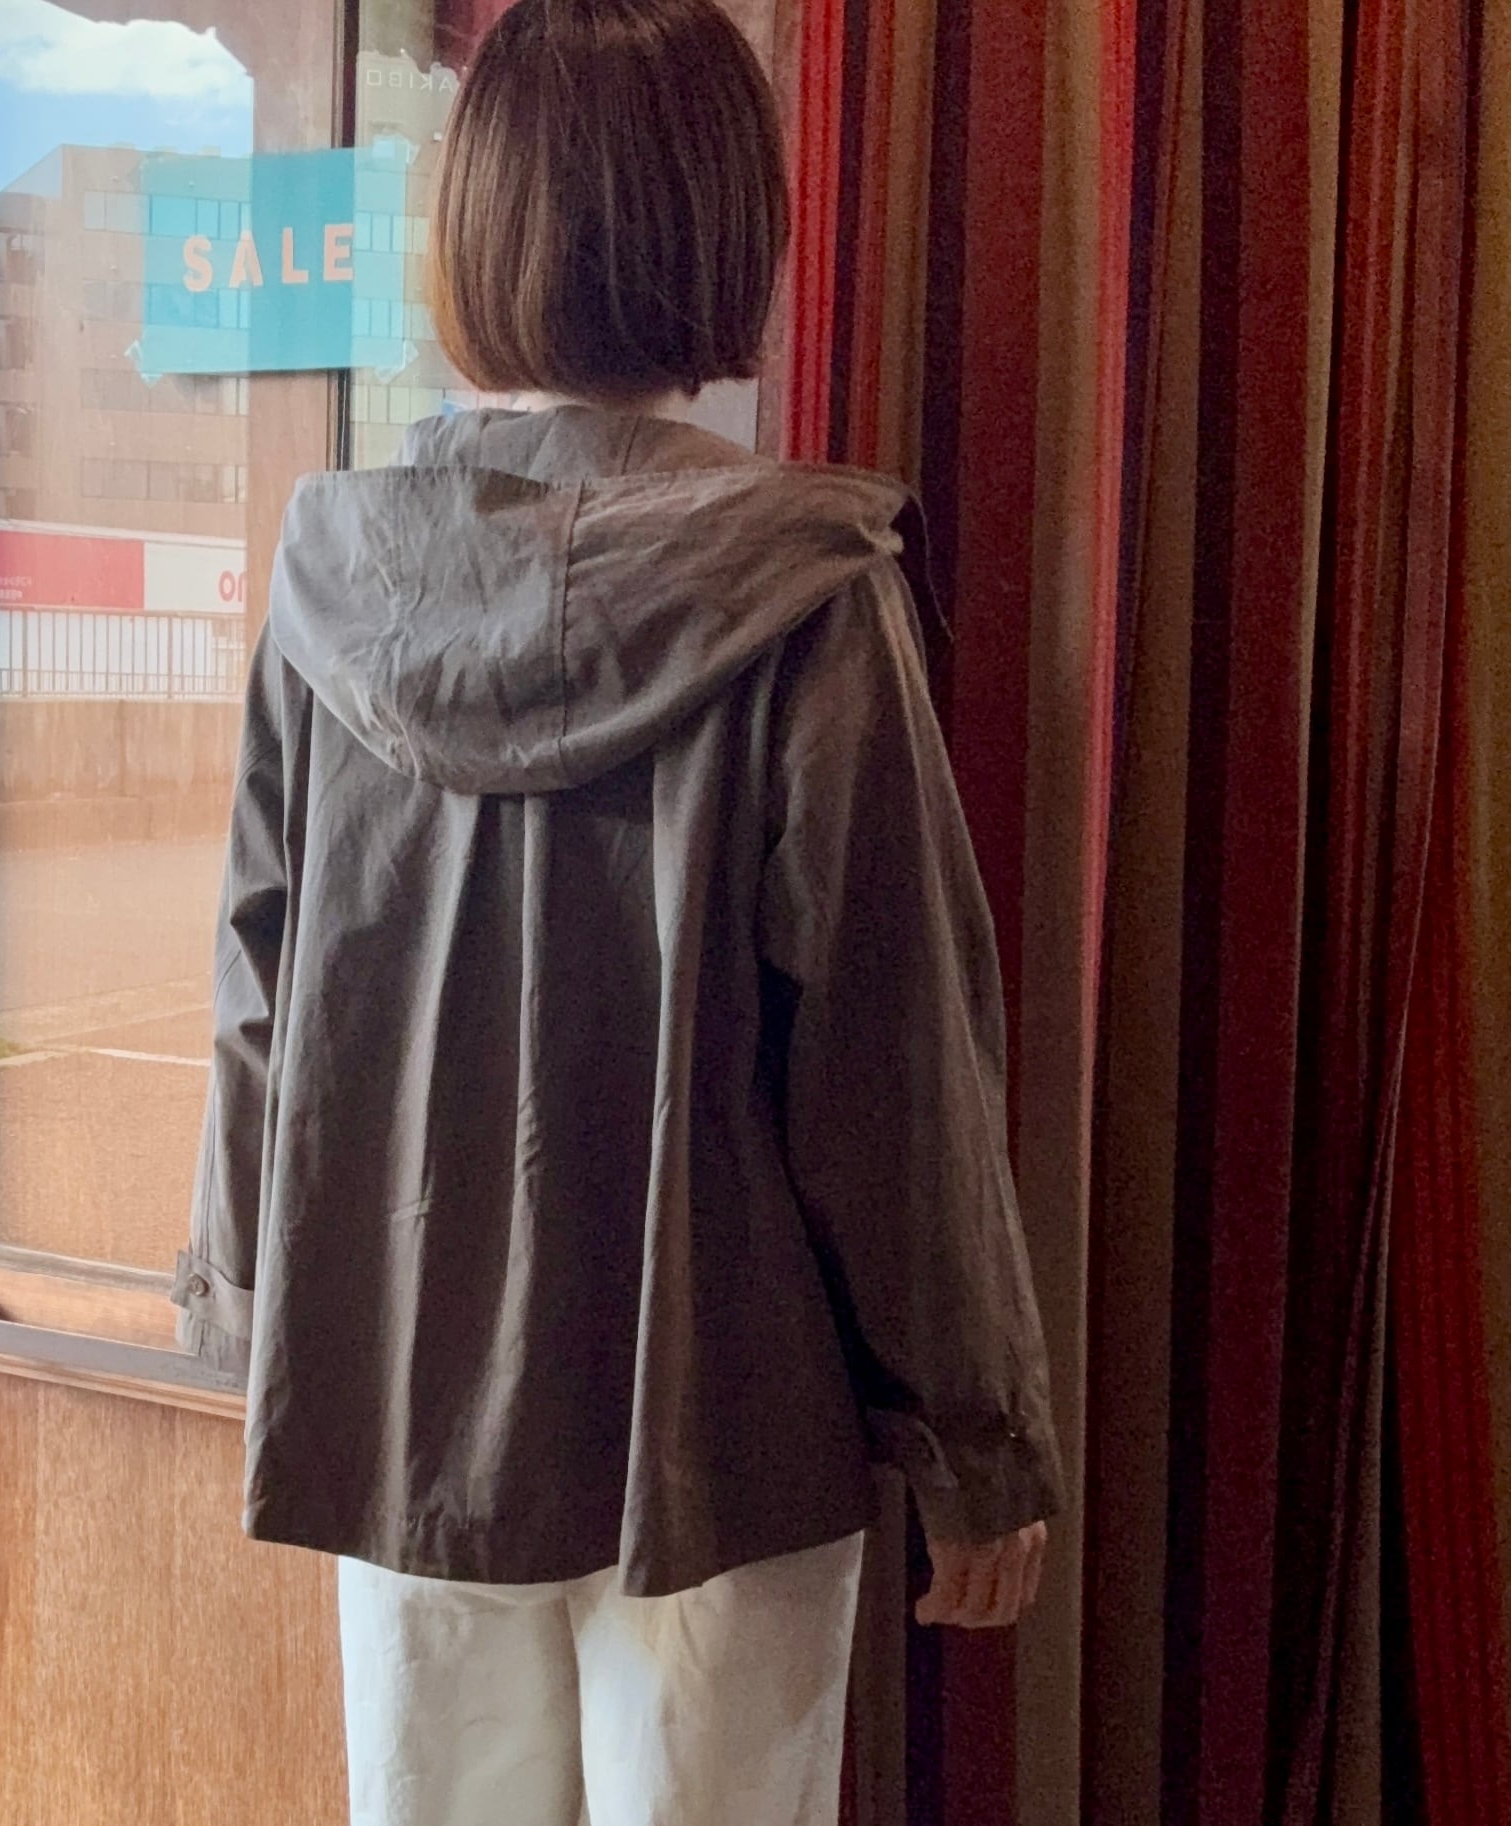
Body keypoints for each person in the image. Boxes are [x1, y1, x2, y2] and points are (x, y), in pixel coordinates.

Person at [170, 0, 1064, 1818]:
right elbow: (892, 1057)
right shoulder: (805, 588)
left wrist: (246, 1300)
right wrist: (975, 1437)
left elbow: (258, 983)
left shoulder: (329, 578)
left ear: (472, 225)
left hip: (405, 1385)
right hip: (720, 1425)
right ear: (726, 231)